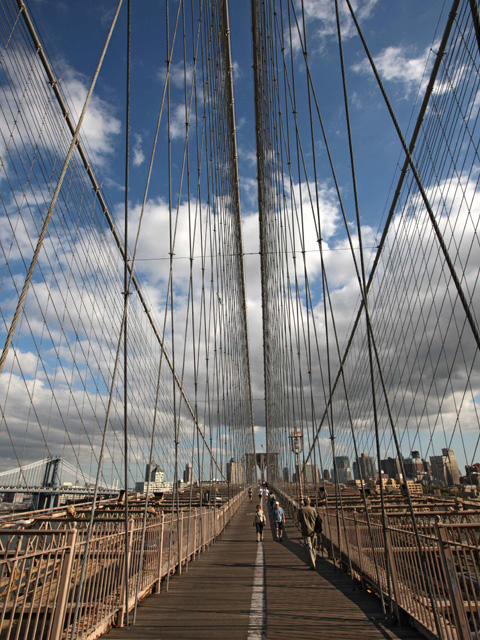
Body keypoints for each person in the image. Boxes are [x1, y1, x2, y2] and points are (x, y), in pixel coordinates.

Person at [297, 496, 318, 568]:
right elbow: (317, 518)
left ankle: (312, 563)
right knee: (314, 547)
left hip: (305, 531)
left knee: (309, 547)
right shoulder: (313, 509)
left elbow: (299, 520)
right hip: (314, 530)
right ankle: (314, 560)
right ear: (309, 502)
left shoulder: (301, 510)